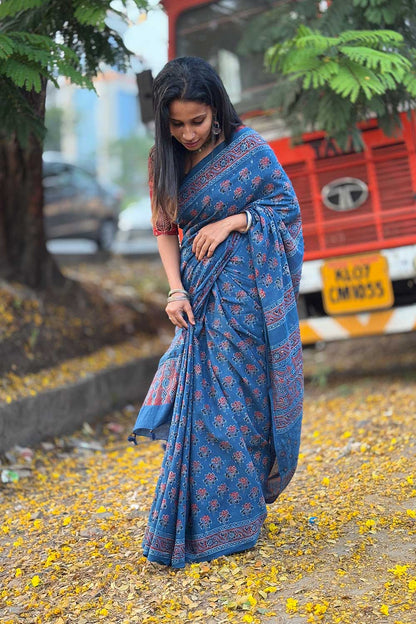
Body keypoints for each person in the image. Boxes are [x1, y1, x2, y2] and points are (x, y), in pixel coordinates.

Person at [129, 56, 304, 568]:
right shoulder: (161, 159)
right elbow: (165, 228)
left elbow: (284, 209)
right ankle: (210, 518)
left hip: (248, 296)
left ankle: (243, 512)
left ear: (216, 110)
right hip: (197, 298)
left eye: (197, 122)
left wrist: (233, 220)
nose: (187, 133)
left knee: (242, 406)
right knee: (205, 406)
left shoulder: (248, 151)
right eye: (176, 123)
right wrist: (175, 292)